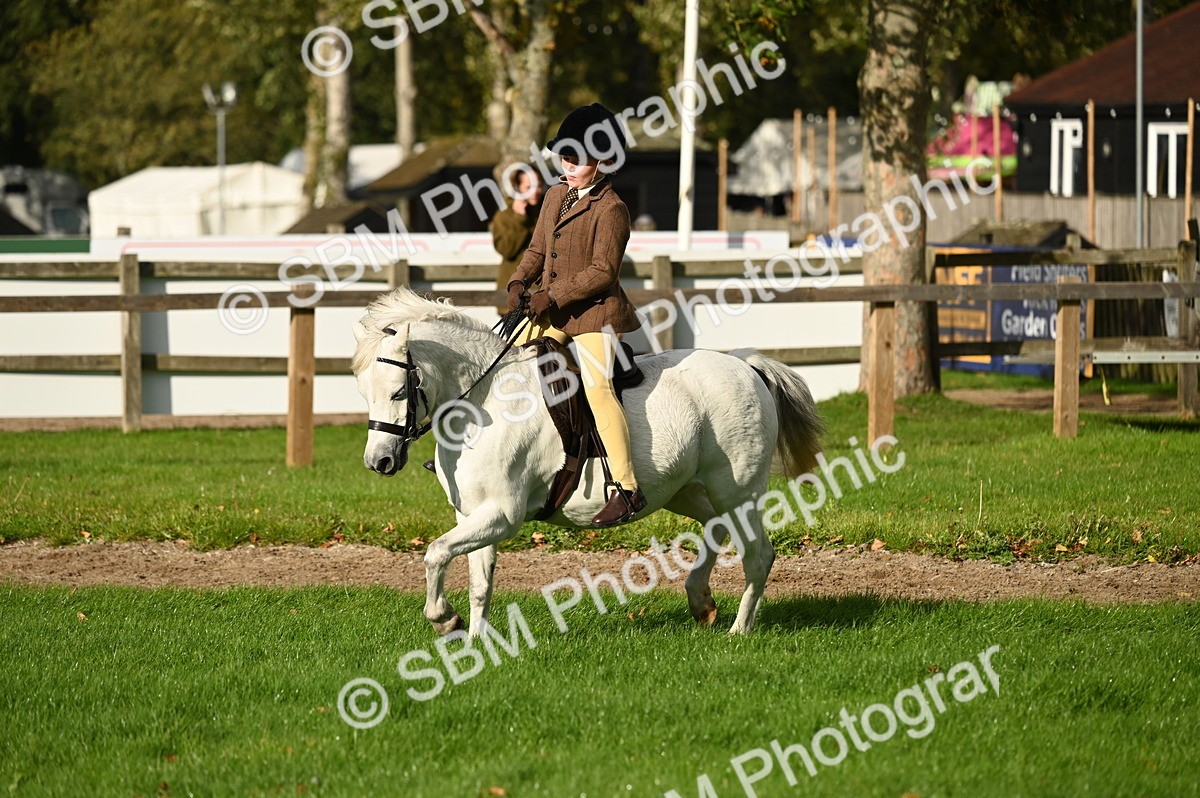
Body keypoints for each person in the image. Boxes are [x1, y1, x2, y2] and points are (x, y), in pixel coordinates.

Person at [506, 103, 646, 528]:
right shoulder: (553, 196)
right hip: (552, 308)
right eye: (563, 157)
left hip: (595, 315)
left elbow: (603, 273)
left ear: (599, 161)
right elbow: (535, 251)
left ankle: (627, 489)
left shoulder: (612, 208)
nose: (568, 165)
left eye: (577, 160)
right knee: (503, 361)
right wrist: (518, 283)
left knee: (597, 386)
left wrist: (553, 295)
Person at [491, 169, 544, 312]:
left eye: (539, 185)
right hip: (513, 295)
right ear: (517, 188)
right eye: (529, 187)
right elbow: (506, 250)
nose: (536, 191)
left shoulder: (546, 212)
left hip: (541, 295)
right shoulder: (504, 217)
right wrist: (519, 218)